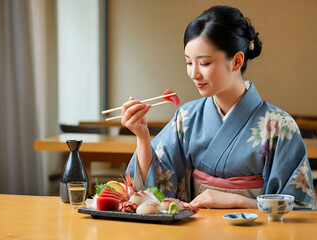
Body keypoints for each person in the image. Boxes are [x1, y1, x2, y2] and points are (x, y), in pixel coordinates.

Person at [120, 5, 316, 209]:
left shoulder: (279, 126)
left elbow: (300, 209)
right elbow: (152, 190)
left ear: (237, 61)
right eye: (189, 63)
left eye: (204, 63)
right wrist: (142, 137)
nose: (194, 74)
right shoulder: (186, 117)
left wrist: (240, 201)